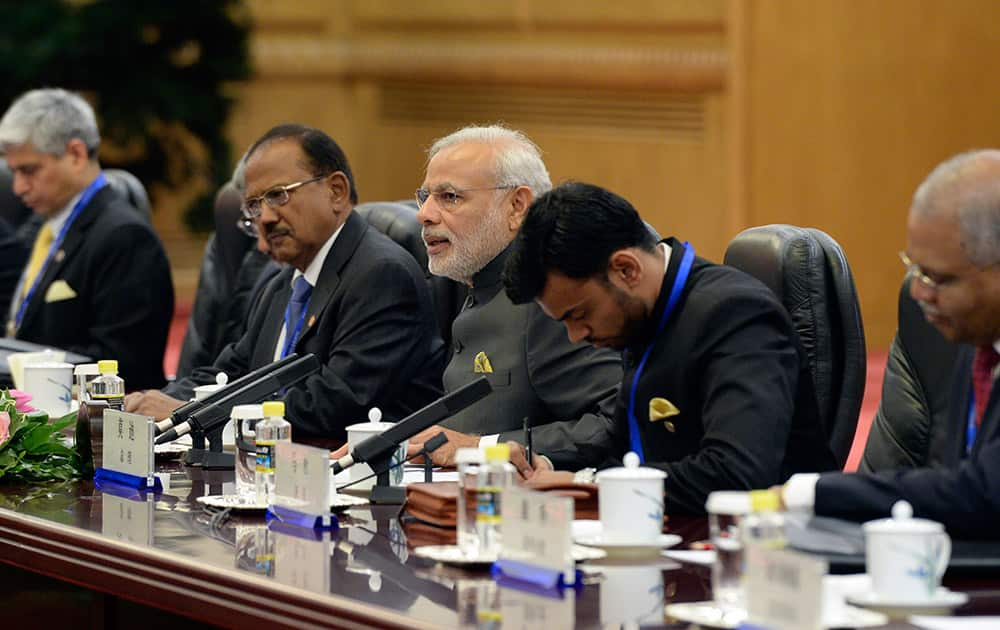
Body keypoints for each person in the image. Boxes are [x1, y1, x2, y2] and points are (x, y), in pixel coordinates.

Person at [502, 182, 837, 514]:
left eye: (579, 314)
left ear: (626, 269)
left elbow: (737, 474)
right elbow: (626, 455)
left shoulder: (737, 314)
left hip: (772, 546)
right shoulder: (645, 313)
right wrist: (558, 472)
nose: (575, 335)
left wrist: (591, 485)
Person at [126, 124, 446, 439]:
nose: (264, 217)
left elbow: (331, 406)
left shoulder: (381, 275)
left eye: (278, 196)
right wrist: (145, 404)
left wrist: (190, 414)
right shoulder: (284, 283)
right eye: (254, 205)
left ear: (336, 191)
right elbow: (229, 373)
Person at [782, 150, 1000, 538]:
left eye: (939, 278)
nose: (918, 292)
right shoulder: (978, 346)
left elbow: (984, 493)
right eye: (914, 268)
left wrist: (813, 491)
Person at [396, 125, 622, 467]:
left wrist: (483, 448)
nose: (424, 214)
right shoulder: (462, 277)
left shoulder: (552, 295)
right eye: (424, 196)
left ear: (517, 206)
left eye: (450, 197)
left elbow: (613, 424)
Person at [0, 88, 173, 389]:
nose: (18, 188)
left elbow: (122, 365)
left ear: (76, 154)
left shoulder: (125, 237)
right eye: (13, 172)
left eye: (29, 171)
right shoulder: (43, 230)